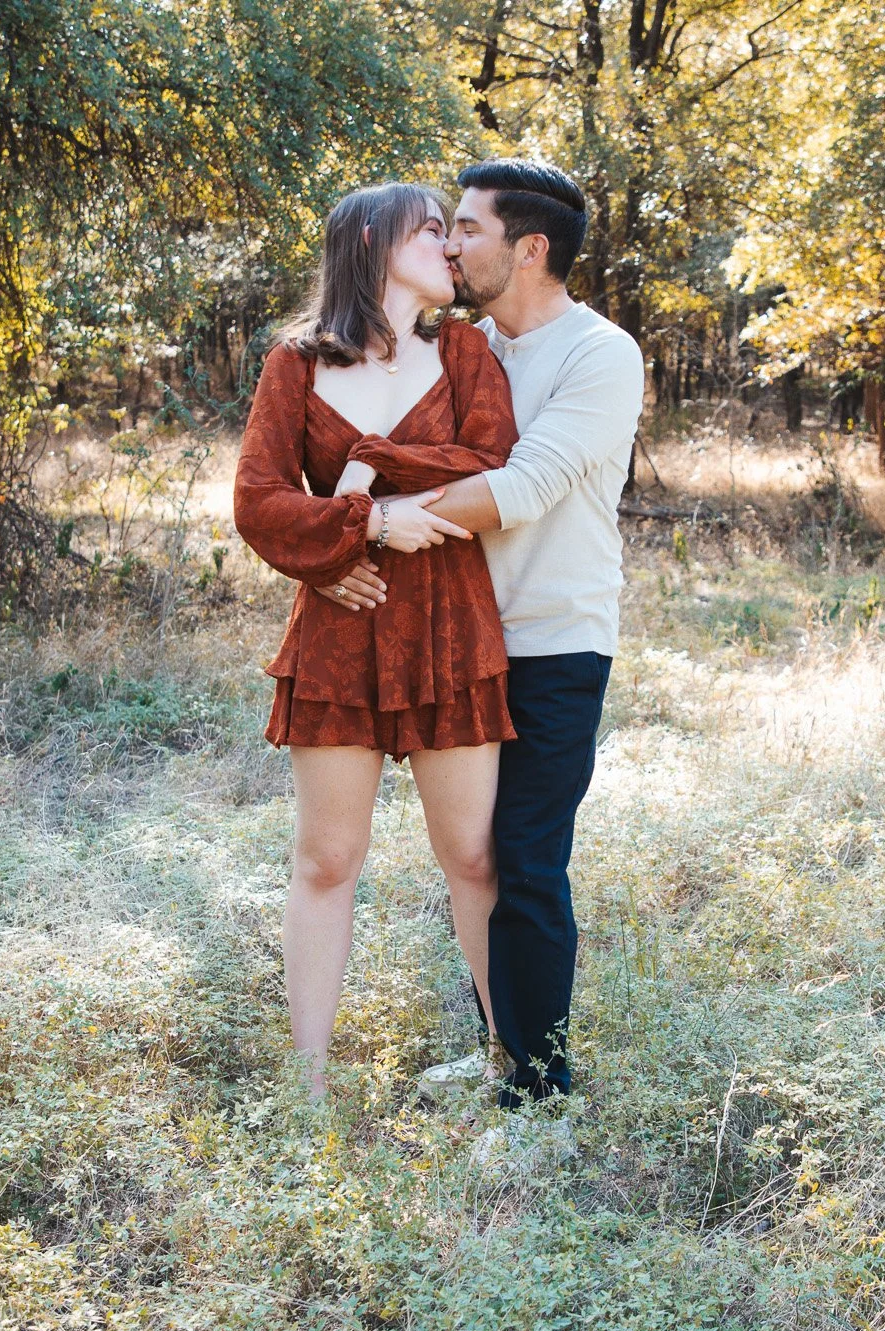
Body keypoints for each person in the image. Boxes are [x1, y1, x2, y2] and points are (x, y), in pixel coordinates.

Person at [320, 161, 646, 1113]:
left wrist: (365, 516)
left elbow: (521, 488)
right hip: (455, 638)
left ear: (529, 247)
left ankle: (539, 1093)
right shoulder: (463, 348)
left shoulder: (599, 352)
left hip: (552, 641)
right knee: (473, 857)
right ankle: (504, 1045)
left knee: (528, 859)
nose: (450, 242)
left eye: (466, 227)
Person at [233, 182, 519, 1099]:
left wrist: (371, 483)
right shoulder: (296, 364)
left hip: (449, 628)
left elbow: (494, 460)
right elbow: (258, 500)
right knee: (326, 858)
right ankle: (307, 1090)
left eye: (451, 229)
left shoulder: (466, 351)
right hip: (341, 626)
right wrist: (366, 529)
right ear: (370, 239)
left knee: (472, 856)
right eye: (431, 229)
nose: (449, 245)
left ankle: (507, 1062)